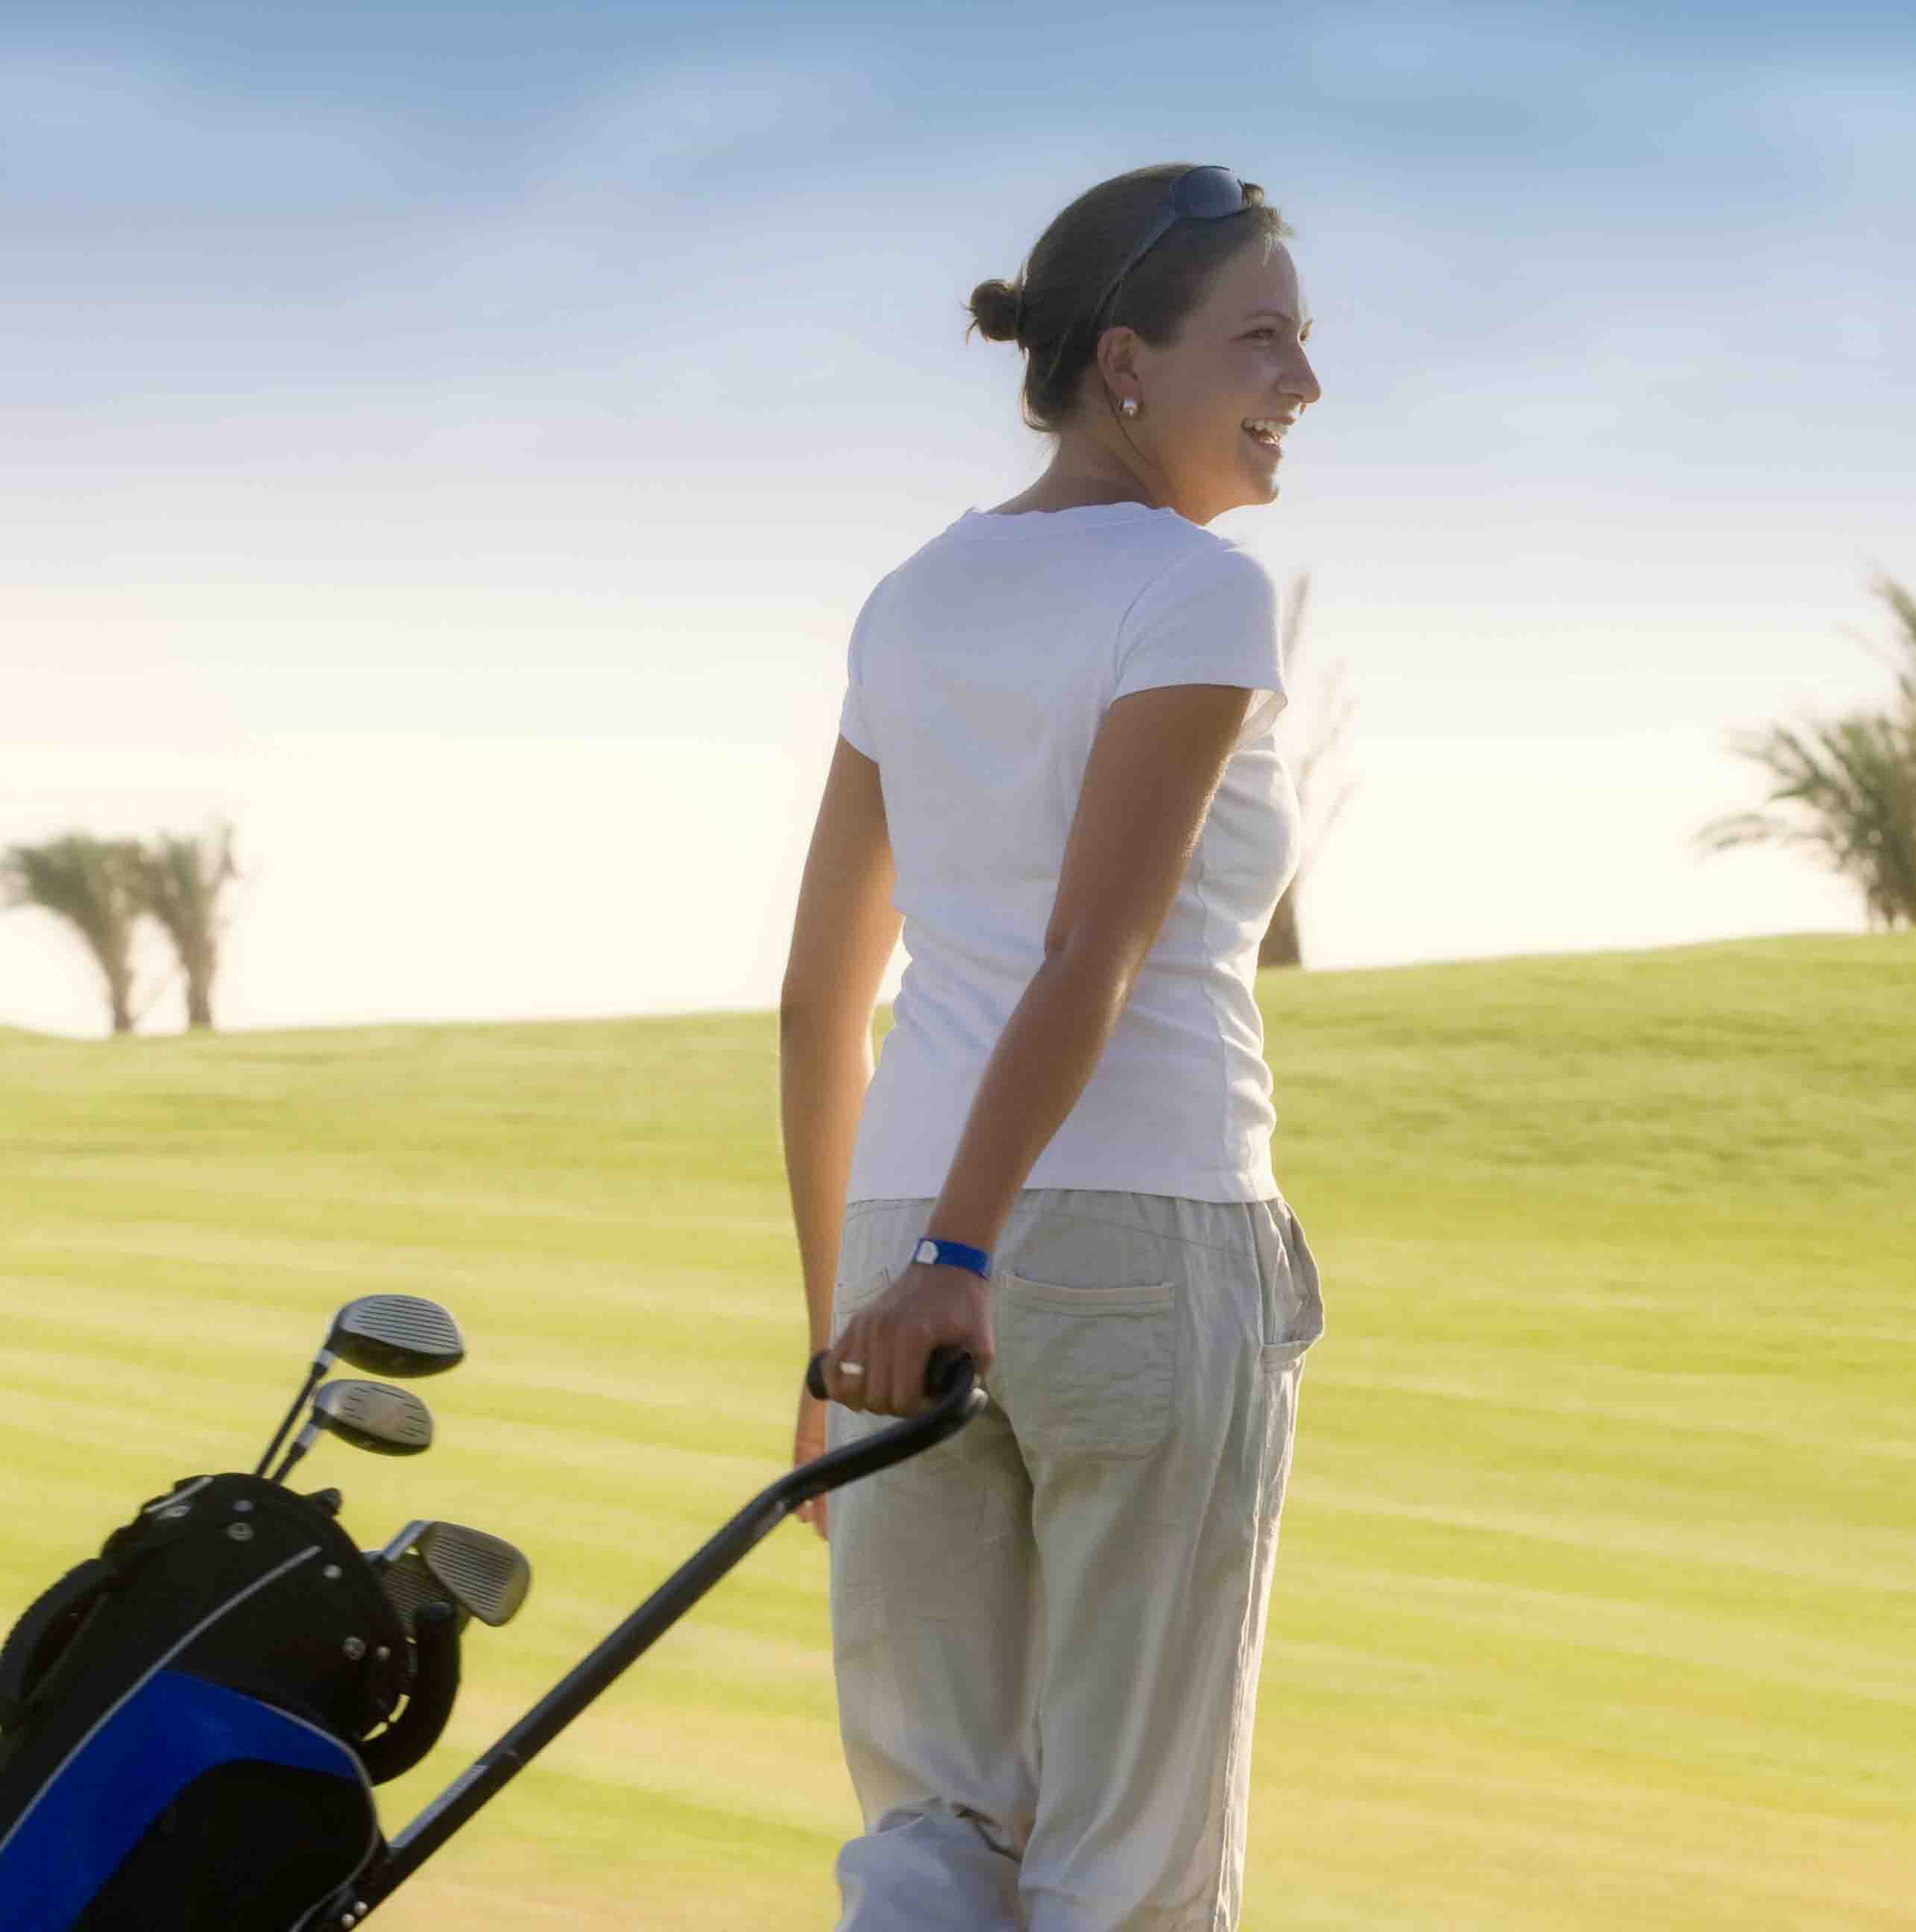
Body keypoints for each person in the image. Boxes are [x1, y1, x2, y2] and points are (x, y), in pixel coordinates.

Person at [772, 163, 1326, 1932]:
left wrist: (845, 1326)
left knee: (931, 1828)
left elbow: (819, 1001)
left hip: (902, 1242)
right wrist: (959, 1259)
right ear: (1127, 364)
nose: (1305, 383)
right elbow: (1098, 949)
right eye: (1263, 338)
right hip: (1135, 1241)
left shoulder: (911, 597)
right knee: (1125, 1865)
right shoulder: (1194, 592)